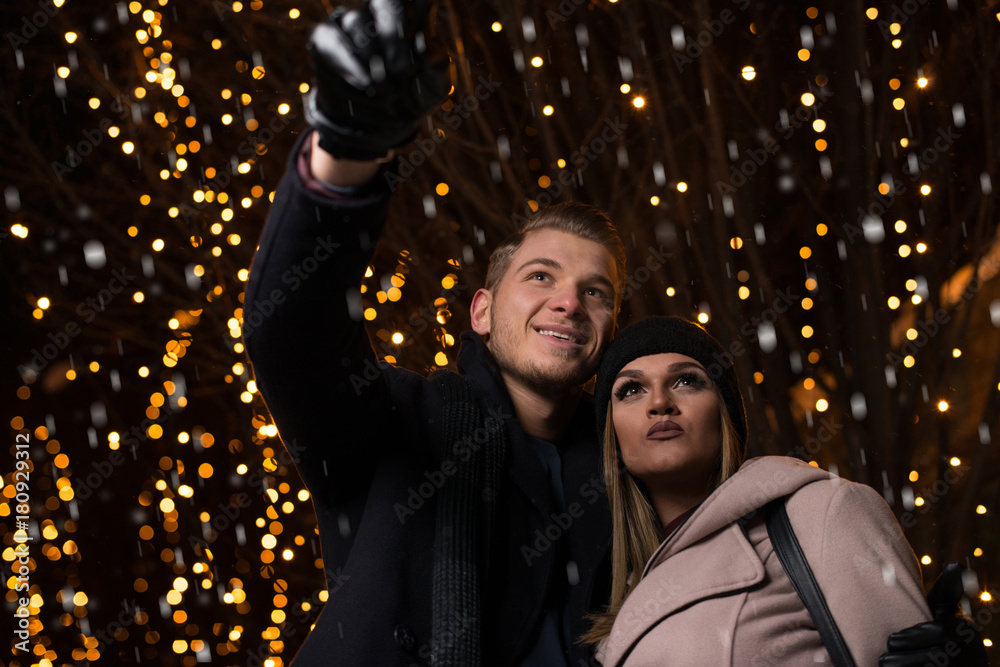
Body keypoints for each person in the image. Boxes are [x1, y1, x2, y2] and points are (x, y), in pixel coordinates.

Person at [244, 0, 985, 664]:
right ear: (480, 311)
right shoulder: (395, 427)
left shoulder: (634, 482)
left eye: (594, 291)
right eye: (539, 277)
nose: (568, 301)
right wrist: (345, 152)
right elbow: (293, 332)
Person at [585, 316, 988, 666]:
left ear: (724, 415)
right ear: (612, 435)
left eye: (687, 381)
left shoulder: (821, 513)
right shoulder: (615, 593)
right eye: (631, 390)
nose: (659, 402)